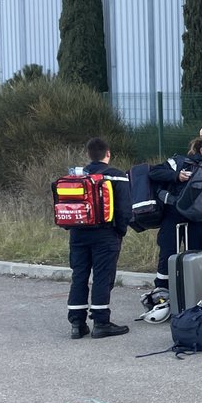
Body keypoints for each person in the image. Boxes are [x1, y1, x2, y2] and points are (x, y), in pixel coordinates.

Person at [149, 137, 202, 295]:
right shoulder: (180, 162)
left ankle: (190, 292)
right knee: (168, 254)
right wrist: (176, 176)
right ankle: (162, 290)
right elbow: (154, 172)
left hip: (198, 221)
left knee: (195, 255)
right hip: (174, 216)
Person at [65, 138, 132, 339]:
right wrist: (119, 231)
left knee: (79, 275)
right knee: (103, 276)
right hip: (106, 234)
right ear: (108, 154)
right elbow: (124, 209)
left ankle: (77, 323)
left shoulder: (76, 176)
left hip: (78, 233)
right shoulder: (117, 176)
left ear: (88, 154)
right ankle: (101, 322)